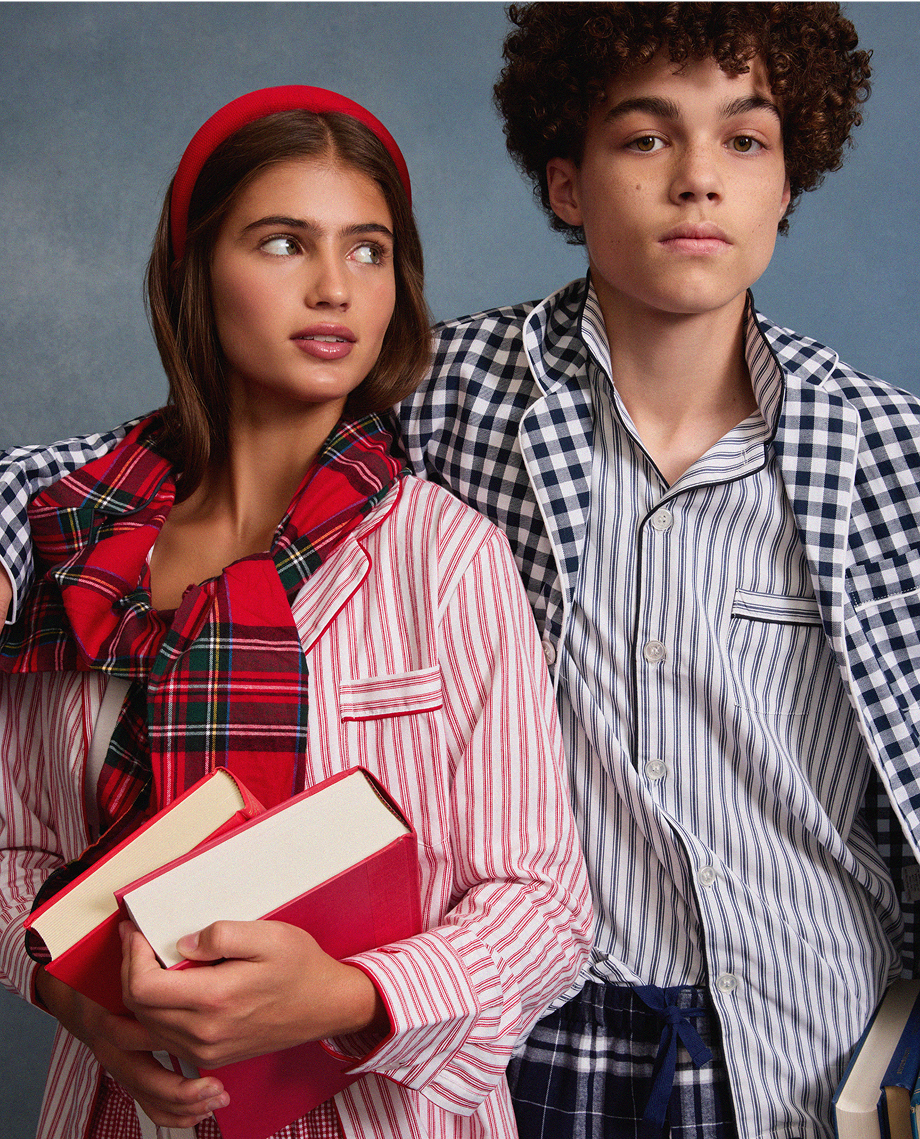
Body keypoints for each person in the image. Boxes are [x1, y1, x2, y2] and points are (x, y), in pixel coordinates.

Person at [0, 3, 913, 1137]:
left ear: (789, 179)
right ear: (565, 183)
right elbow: (132, 466)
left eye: (744, 140)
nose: (696, 181)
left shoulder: (885, 456)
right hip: (537, 1051)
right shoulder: (442, 391)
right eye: (642, 138)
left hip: (802, 1041)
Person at [0, 85, 592, 1139]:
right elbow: (15, 851)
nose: (334, 288)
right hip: (122, 1112)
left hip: (384, 1114)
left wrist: (353, 994)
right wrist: (74, 998)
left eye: (368, 251)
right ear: (194, 272)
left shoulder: (443, 554)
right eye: (283, 243)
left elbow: (543, 907)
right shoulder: (78, 551)